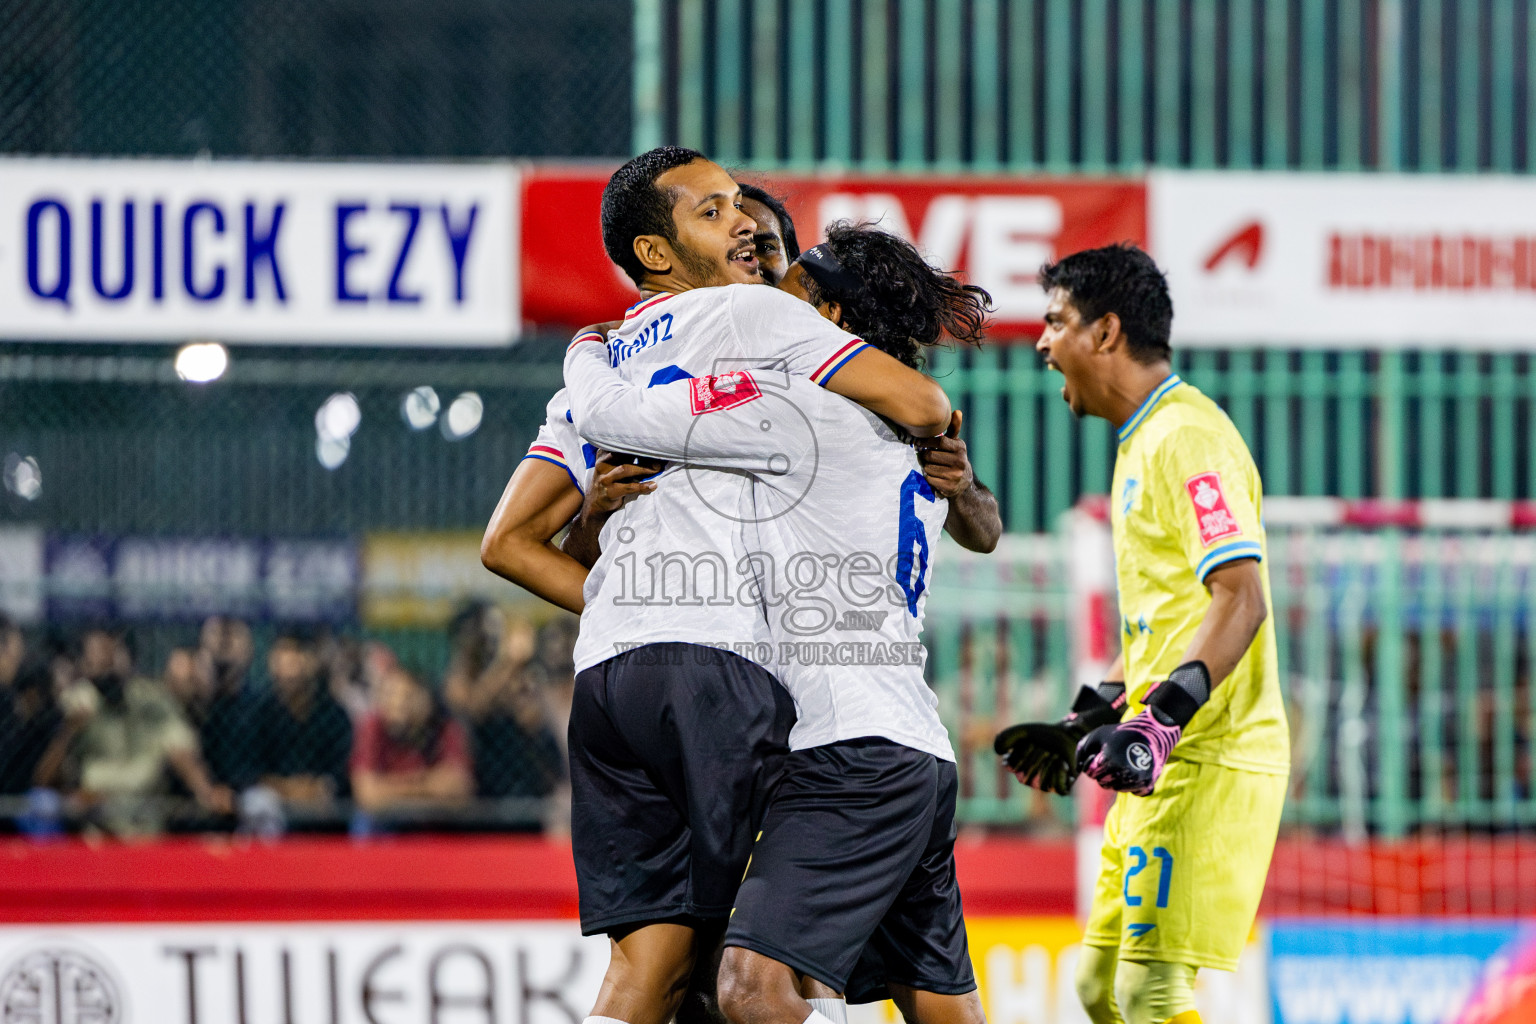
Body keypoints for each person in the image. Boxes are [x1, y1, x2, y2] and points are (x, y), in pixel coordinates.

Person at [556, 146, 966, 1024]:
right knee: (919, 999)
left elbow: (621, 420)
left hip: (830, 740)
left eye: (794, 273)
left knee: (736, 982)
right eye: (721, 213)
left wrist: (590, 351)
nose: (767, 263)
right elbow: (971, 499)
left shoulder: (788, 387)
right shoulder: (914, 464)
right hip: (899, 737)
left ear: (828, 320)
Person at [994, 244, 1289, 1024]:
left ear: (1106, 332)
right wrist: (1091, 716)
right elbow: (1172, 616)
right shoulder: (1144, 441)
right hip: (1158, 758)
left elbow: (1241, 597)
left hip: (1206, 756)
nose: (1041, 342)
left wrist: (1158, 722)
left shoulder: (1188, 438)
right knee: (1099, 992)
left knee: (1148, 994)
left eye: (1056, 322)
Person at [479, 178, 803, 616]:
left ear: (796, 265)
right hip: (718, 653)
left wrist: (927, 446)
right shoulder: (605, 377)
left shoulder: (814, 355)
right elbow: (507, 543)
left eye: (765, 247)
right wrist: (595, 522)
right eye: (718, 221)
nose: (752, 258)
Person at [33, 626, 231, 835]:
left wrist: (206, 792)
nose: (106, 665)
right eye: (97, 659)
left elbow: (180, 749)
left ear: (127, 656)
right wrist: (69, 729)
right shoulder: (78, 702)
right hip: (93, 812)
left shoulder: (151, 699)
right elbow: (44, 778)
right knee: (44, 805)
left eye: (111, 654)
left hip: (143, 806)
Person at [442, 601, 564, 809]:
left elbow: (531, 719)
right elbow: (472, 708)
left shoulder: (513, 672)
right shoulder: (461, 674)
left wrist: (518, 679)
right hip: (480, 785)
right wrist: (509, 662)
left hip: (525, 782)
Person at [350, 666, 473, 820]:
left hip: (434, 819)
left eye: (408, 696)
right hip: (386, 821)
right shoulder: (372, 726)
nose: (399, 704)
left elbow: (458, 787)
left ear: (426, 700)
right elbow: (368, 794)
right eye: (392, 695)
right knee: (365, 821)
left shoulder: (445, 726)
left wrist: (390, 787)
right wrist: (425, 784)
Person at [254, 627, 353, 811]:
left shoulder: (334, 714)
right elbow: (250, 773)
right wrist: (287, 789)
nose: (291, 662)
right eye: (284, 653)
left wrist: (316, 787)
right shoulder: (258, 710)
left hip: (323, 806)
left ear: (314, 660)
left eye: (299, 652)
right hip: (272, 804)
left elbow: (339, 775)